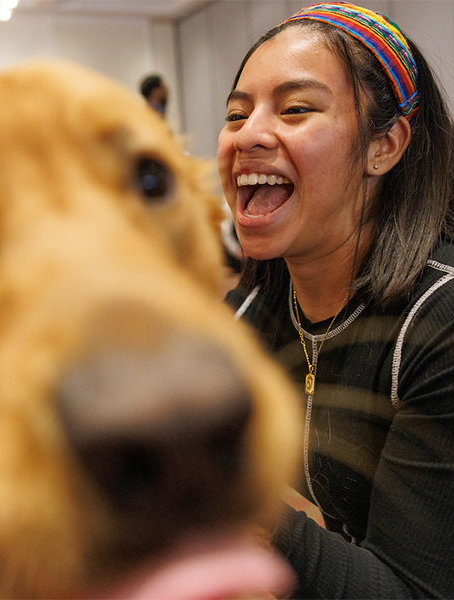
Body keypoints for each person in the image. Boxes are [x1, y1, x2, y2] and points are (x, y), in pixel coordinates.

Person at [217, 3, 454, 598]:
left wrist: (226, 486)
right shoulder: (254, 308)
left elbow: (409, 591)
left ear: (386, 145)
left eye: (296, 109)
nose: (249, 134)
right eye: (236, 114)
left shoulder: (437, 322)